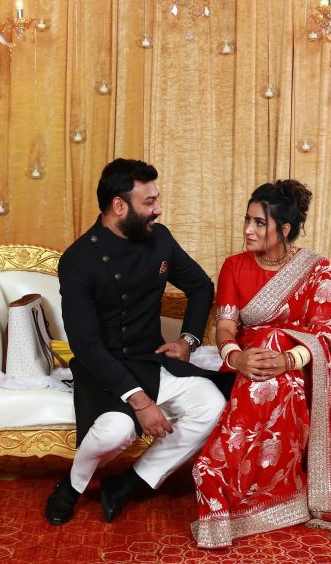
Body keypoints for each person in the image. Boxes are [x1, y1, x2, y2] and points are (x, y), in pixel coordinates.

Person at [191, 180, 331, 548]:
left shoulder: (315, 267)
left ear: (285, 229)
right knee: (267, 339)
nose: (248, 229)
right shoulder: (234, 266)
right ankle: (237, 480)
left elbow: (325, 334)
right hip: (250, 361)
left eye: (259, 223)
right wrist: (236, 356)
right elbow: (226, 325)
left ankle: (243, 481)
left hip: (300, 365)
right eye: (247, 219)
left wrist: (286, 359)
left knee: (278, 339)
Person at [44, 158, 234, 526]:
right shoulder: (78, 260)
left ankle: (129, 482)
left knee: (211, 404)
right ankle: (70, 486)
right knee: (114, 430)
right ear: (119, 206)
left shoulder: (159, 239)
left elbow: (200, 286)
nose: (158, 209)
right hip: (104, 369)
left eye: (156, 200)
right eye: (148, 202)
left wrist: (188, 341)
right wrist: (141, 401)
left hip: (150, 360)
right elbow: (85, 344)